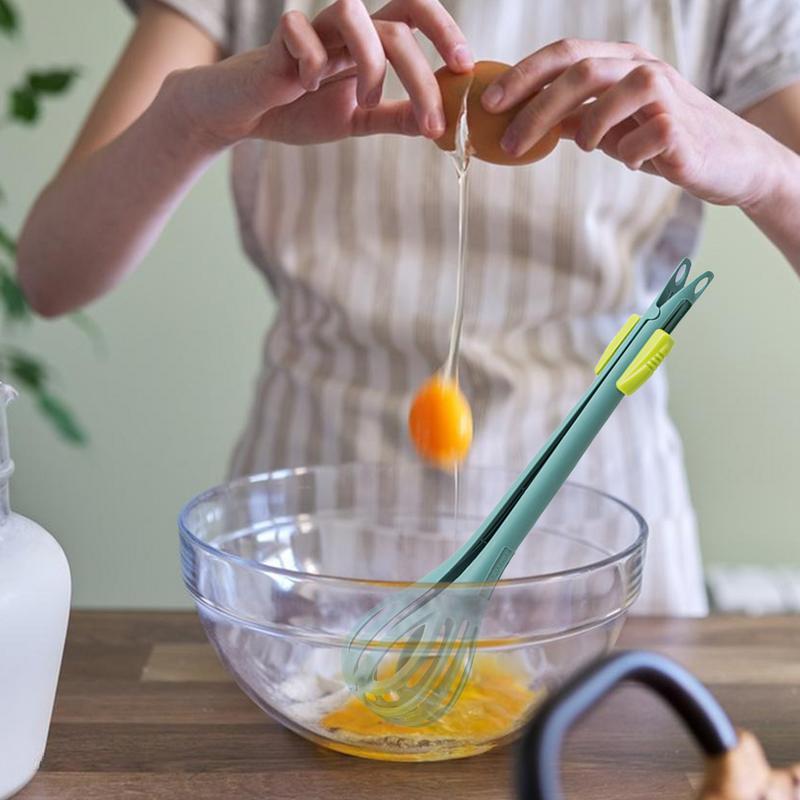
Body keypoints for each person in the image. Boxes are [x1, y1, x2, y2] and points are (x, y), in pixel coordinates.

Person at [16, 0, 800, 615]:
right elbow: (52, 274)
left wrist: (769, 171)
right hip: (311, 573)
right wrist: (191, 121)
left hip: (597, 569)